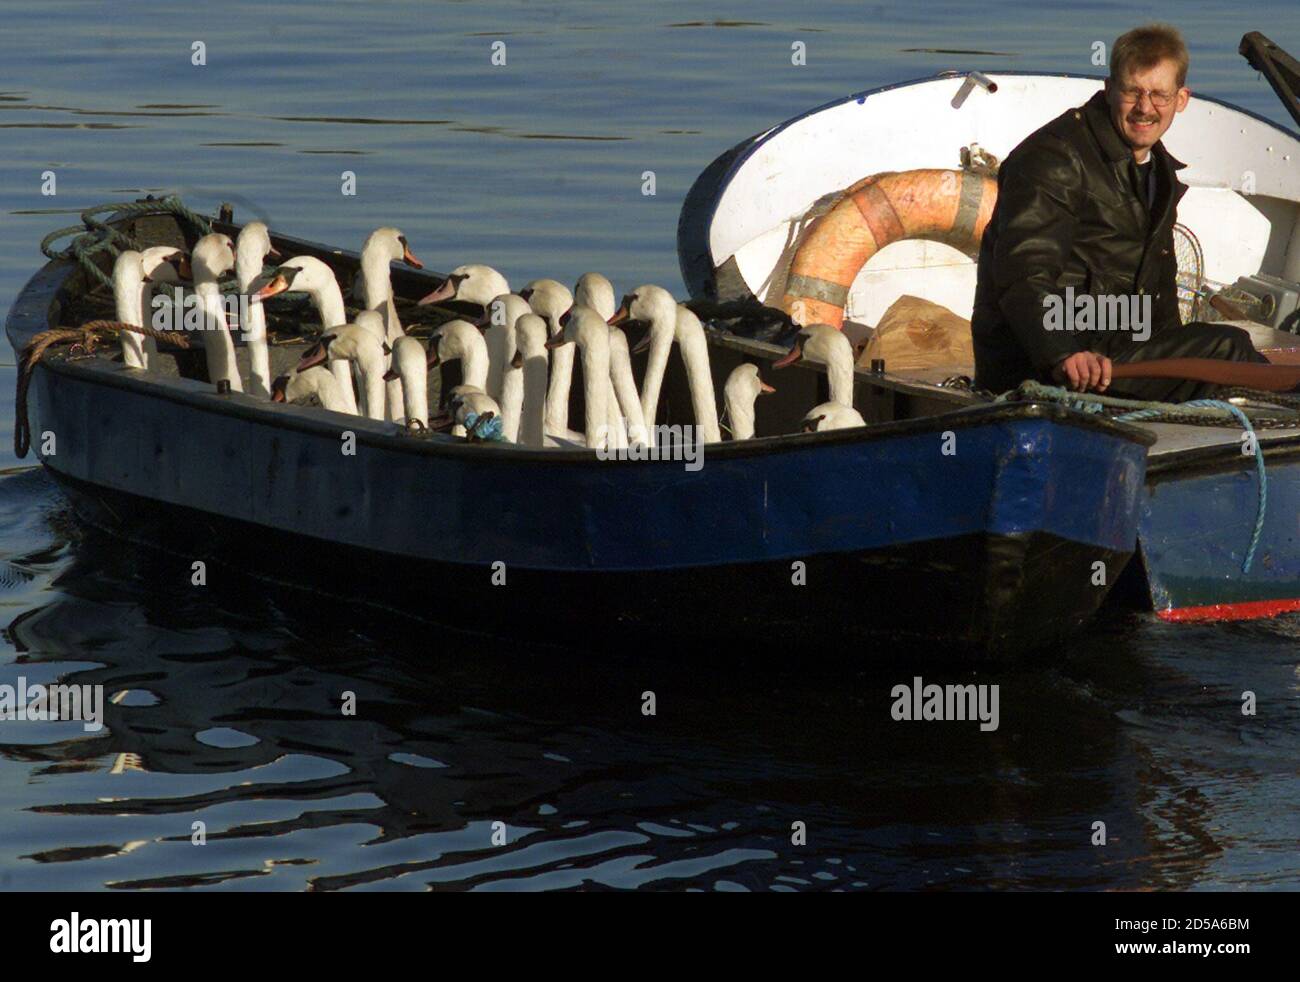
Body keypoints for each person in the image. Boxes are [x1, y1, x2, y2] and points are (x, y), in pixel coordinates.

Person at [971, 22, 1268, 401]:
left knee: (1223, 354)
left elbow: (1156, 295)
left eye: (1160, 95)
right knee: (1227, 347)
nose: (1145, 108)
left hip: (1116, 351)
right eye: (1133, 92)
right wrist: (1061, 352)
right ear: (1109, 90)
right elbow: (1023, 274)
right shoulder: (1054, 158)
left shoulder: (1157, 169)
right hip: (1040, 364)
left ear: (1181, 99)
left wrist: (1172, 346)